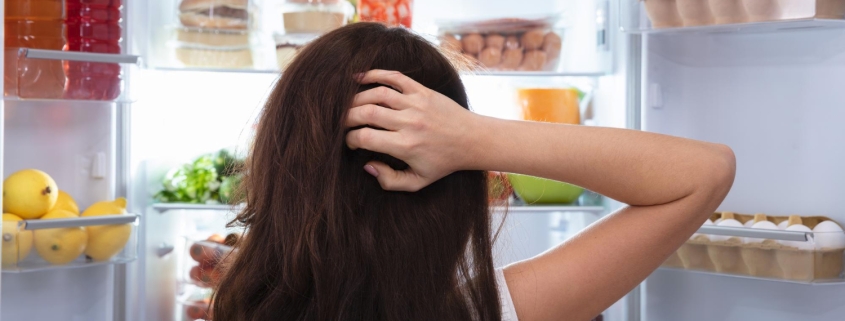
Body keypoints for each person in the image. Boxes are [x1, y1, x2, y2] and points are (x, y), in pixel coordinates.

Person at [212, 22, 736, 321]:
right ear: (456, 187)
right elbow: (705, 171)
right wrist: (473, 138)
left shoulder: (237, 304)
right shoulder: (489, 313)